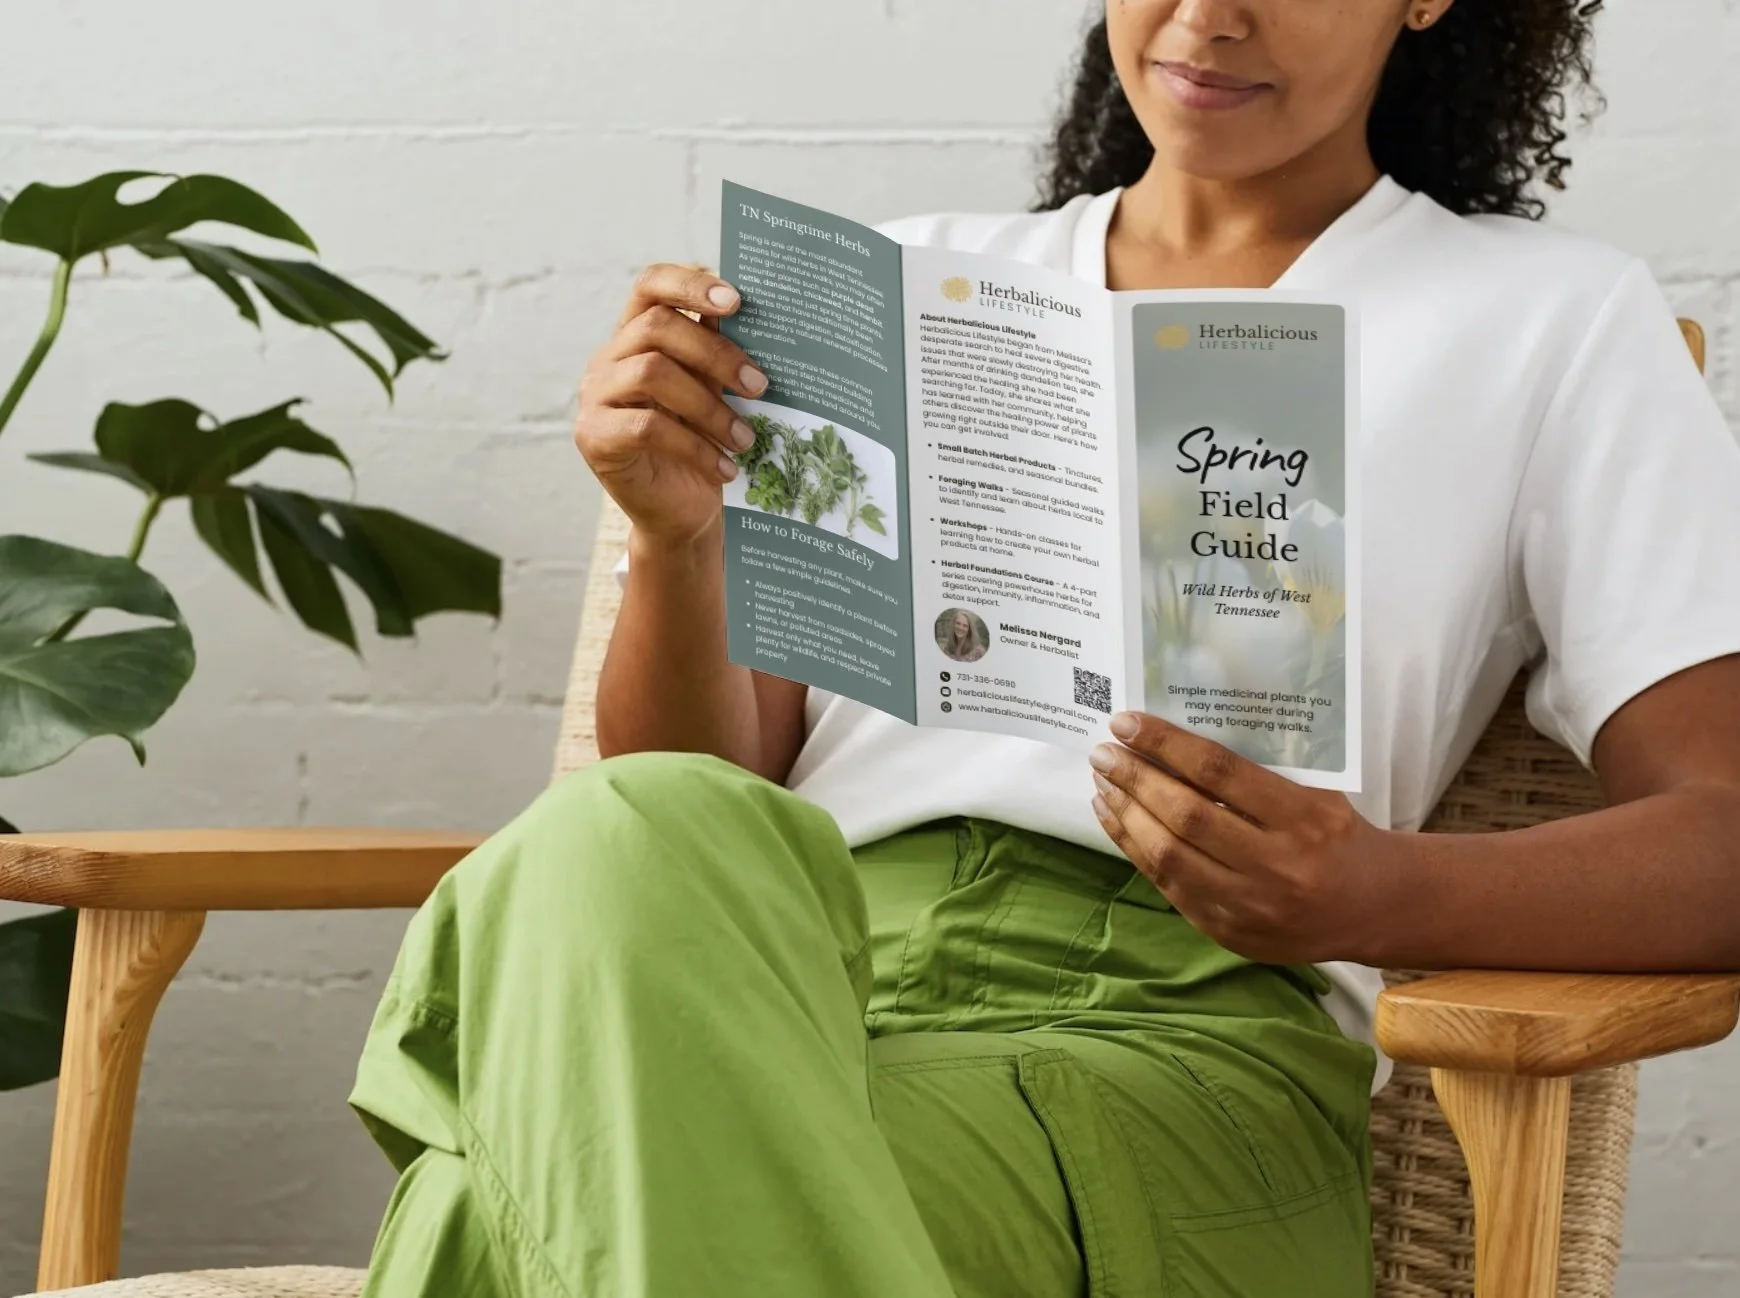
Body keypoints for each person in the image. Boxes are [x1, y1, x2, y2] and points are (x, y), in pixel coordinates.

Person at [349, 3, 1740, 1295]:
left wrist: (1376, 890)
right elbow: (703, 795)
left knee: (491, 1213)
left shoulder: (1551, 320)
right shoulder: (896, 286)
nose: (1210, 15)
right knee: (618, 825)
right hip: (802, 982)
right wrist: (677, 542)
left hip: (1171, 1046)